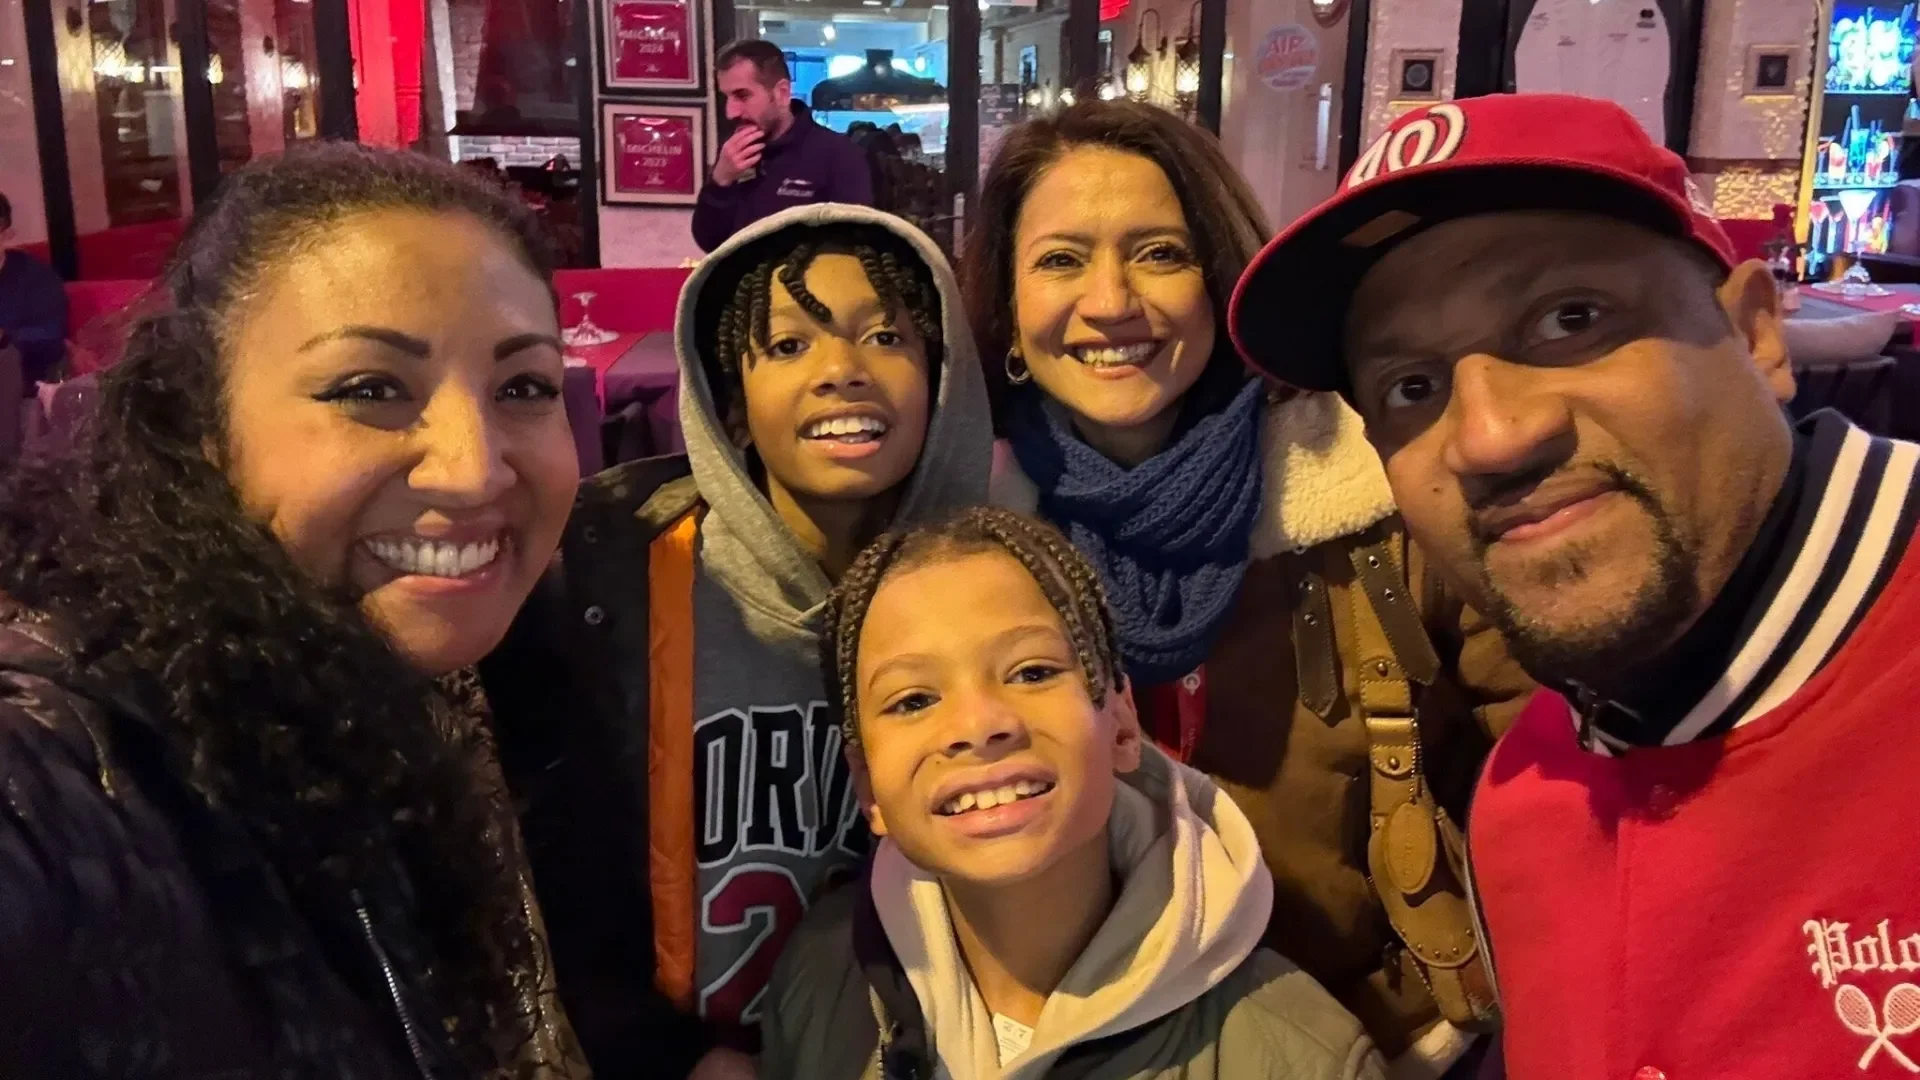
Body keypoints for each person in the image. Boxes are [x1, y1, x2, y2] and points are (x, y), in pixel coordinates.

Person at [1228, 91, 1920, 1080]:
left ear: (1757, 333)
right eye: (1411, 387)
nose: (1491, 437)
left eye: (1570, 319)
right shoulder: (1530, 797)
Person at [962, 98, 1532, 1076]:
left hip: (1378, 1042)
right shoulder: (967, 546)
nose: (1109, 303)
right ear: (1009, 308)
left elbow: (1547, 785)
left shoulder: (1376, 492)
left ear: (1223, 280)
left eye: (1158, 253)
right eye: (1060, 260)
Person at [0, 144, 586, 1075]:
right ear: (201, 425)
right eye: (368, 389)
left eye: (524, 387)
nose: (472, 469)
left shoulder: (465, 699)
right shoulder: (63, 770)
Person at [481, 203, 991, 1080]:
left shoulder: (999, 588)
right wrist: (659, 1054)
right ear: (732, 406)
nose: (843, 372)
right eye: (790, 346)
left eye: (886, 338)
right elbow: (534, 881)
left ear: (942, 382)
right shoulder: (606, 575)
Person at [762, 505, 1388, 1080]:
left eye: (1032, 672)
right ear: (868, 785)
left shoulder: (1305, 1056)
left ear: (1121, 725)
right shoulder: (821, 977)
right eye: (914, 700)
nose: (980, 726)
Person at [691, 41, 876, 253]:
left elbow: (855, 244)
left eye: (742, 96)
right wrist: (720, 180)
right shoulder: (735, 152)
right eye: (726, 97)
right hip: (741, 285)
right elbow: (710, 243)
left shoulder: (839, 153)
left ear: (781, 92)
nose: (731, 112)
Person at [0, 191, 69, 388]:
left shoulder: (35, 278)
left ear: (7, 234)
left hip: (23, 388)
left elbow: (52, 338)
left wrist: (5, 336)